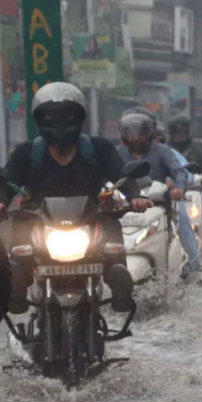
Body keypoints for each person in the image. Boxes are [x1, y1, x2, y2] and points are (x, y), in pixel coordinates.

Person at [0, 83, 152, 315]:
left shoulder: (98, 148)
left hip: (91, 222)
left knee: (109, 224)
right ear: (40, 119)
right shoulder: (28, 152)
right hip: (38, 223)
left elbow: (122, 175)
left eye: (68, 115)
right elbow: (7, 181)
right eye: (51, 116)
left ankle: (119, 279)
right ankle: (17, 285)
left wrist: (136, 197)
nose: (60, 123)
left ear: (79, 117)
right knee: (21, 241)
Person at [115, 113, 202, 283]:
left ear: (148, 134)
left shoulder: (162, 151)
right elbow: (106, 176)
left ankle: (193, 263)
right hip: (124, 205)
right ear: (124, 135)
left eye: (140, 134)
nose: (135, 138)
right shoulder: (117, 153)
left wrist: (179, 188)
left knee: (183, 218)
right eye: (131, 134)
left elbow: (179, 172)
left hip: (159, 204)